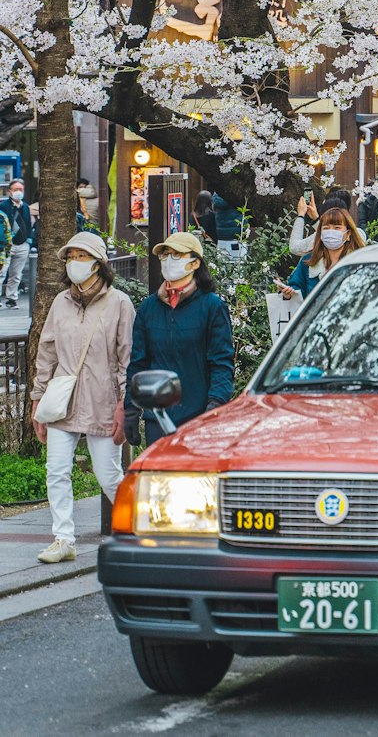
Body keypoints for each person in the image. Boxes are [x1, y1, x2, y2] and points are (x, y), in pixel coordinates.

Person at [30, 234, 134, 564]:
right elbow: (46, 352)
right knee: (56, 470)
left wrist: (124, 404)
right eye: (70, 256)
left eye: (81, 255)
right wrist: (37, 398)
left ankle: (132, 534)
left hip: (104, 401)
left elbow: (127, 358)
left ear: (98, 262)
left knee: (109, 476)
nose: (74, 262)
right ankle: (63, 538)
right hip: (63, 400)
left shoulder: (119, 303)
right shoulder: (61, 302)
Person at [125, 233, 234, 446]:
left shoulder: (212, 307)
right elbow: (138, 362)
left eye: (176, 254)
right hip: (157, 417)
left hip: (198, 415)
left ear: (194, 262)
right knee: (159, 478)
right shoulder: (149, 308)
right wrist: (131, 408)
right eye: (165, 255)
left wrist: (215, 405)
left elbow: (222, 362)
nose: (168, 260)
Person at [279, 207, 364, 298]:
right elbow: (296, 290)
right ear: (320, 233)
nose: (331, 232)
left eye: (337, 228)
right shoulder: (308, 261)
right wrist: (287, 294)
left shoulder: (359, 263)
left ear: (348, 234)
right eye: (326, 228)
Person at [0, 176, 32, 307]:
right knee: (2, 271)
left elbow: (28, 224)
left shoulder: (26, 207)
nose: (19, 192)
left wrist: (29, 241)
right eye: (15, 189)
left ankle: (11, 298)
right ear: (9, 192)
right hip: (7, 245)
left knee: (16, 274)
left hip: (22, 244)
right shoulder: (3, 206)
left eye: (21, 189)